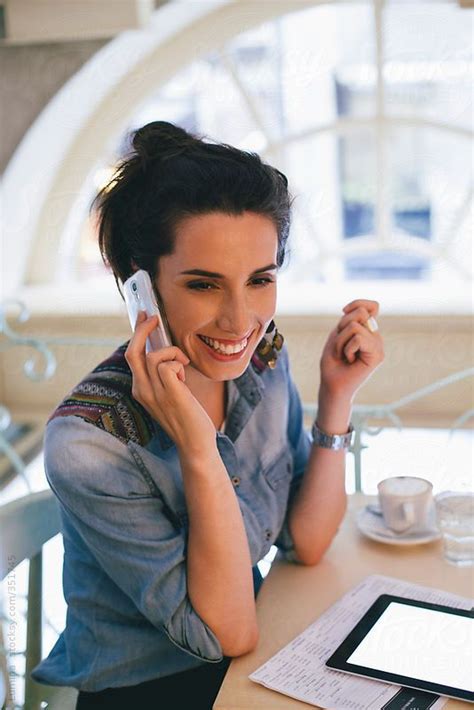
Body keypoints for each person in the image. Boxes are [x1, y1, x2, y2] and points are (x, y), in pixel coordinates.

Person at [31, 121, 384, 709]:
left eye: (260, 280)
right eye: (203, 284)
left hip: (253, 663)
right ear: (138, 288)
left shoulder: (263, 359)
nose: (240, 320)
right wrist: (197, 446)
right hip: (153, 692)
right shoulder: (89, 444)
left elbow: (307, 540)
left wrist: (337, 396)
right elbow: (226, 634)